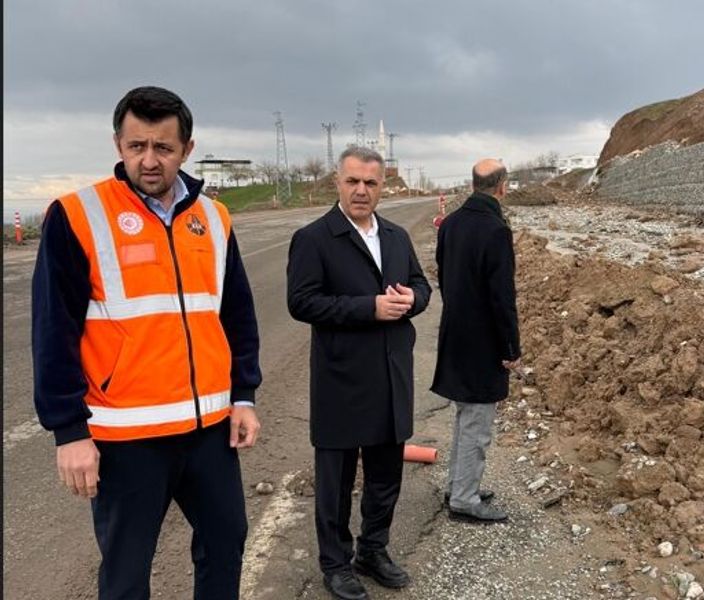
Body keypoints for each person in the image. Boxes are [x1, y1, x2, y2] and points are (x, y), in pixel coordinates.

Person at [31, 86, 262, 600]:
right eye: (137, 146)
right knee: (127, 571)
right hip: (127, 436)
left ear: (187, 149)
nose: (149, 160)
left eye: (163, 147)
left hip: (208, 430)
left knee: (226, 543)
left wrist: (243, 395)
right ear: (118, 144)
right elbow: (52, 331)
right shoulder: (78, 215)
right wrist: (69, 432)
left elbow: (236, 315)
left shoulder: (214, 218)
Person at [287, 146, 431, 600]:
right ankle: (335, 564)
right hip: (342, 380)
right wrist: (369, 308)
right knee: (336, 481)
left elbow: (422, 284)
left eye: (370, 182)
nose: (361, 190)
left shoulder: (395, 236)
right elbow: (301, 302)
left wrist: (413, 300)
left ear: (383, 186)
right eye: (353, 181)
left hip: (391, 374)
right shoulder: (314, 238)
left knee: (386, 475)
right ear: (338, 182)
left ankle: (373, 550)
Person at [431, 159, 521, 523]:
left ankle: (458, 485)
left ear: (473, 185)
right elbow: (503, 297)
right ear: (501, 187)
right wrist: (510, 348)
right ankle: (465, 499)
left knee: (465, 416)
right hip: (482, 342)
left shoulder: (451, 224)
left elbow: (442, 275)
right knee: (477, 423)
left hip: (455, 333)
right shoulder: (496, 230)